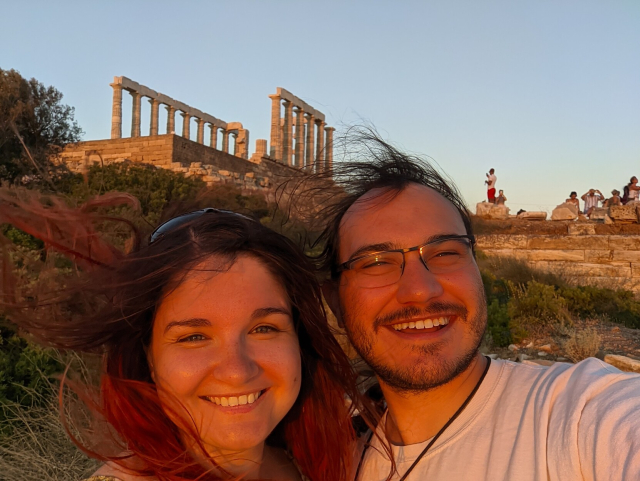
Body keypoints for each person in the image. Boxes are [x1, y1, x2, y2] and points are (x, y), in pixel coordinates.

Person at [297, 130, 640, 481]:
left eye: (445, 253)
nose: (420, 290)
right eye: (377, 262)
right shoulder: (335, 451)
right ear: (334, 301)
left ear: (478, 268)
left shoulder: (577, 415)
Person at [0, 194, 377, 481]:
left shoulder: (322, 459)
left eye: (264, 329)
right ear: (149, 354)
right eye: (194, 336)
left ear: (300, 340)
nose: (236, 370)